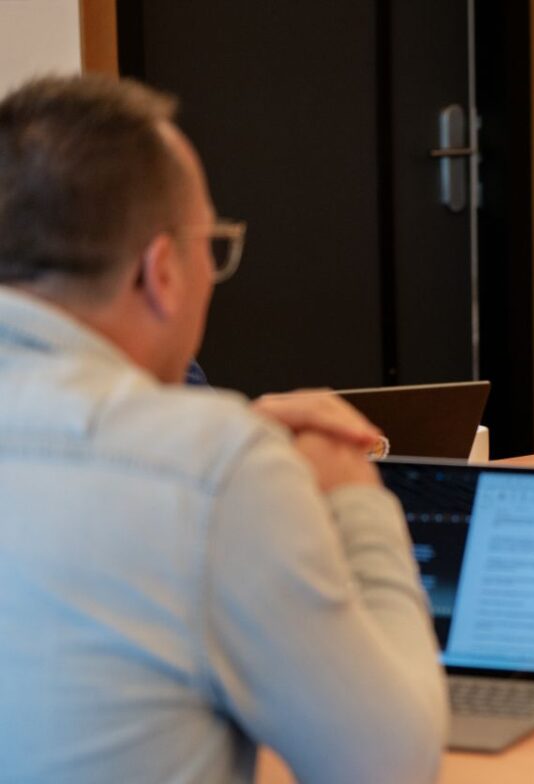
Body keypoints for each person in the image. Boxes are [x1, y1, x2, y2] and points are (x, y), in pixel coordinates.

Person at [0, 76, 445, 782]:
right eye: (212, 243)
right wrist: (357, 502)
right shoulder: (213, 470)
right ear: (164, 269)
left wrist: (223, 442)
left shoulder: (202, 459)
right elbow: (389, 765)